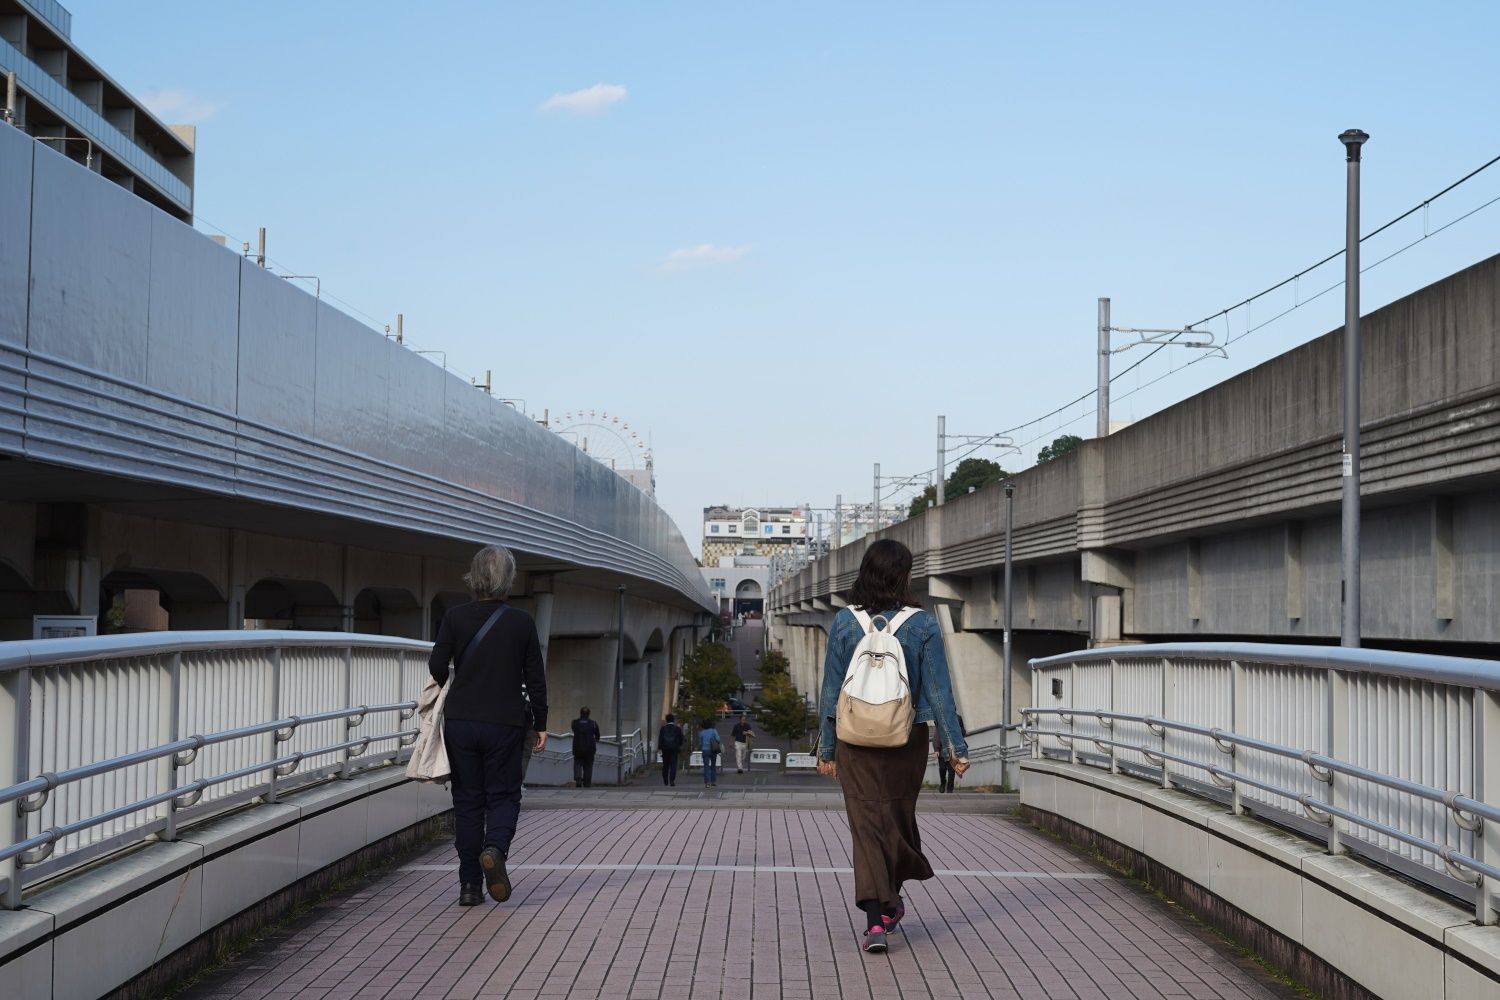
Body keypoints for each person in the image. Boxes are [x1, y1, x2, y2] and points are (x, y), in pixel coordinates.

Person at [816, 538, 969, 954]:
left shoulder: (845, 623)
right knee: (895, 821)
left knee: (869, 825)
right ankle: (879, 916)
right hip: (907, 738)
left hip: (854, 739)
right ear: (904, 575)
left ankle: (881, 908)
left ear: (865, 572)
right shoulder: (923, 624)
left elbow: (831, 692)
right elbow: (939, 691)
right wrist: (955, 747)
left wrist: (826, 748)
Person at [429, 544, 547, 908]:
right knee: (504, 795)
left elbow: (436, 665)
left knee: (467, 802)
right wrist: (540, 723)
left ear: (474, 577)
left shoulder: (455, 617)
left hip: (462, 721)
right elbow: (535, 678)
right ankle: (494, 848)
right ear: (507, 580)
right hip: (506, 722)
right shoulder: (521, 622)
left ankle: (468, 886)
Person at [571, 707, 601, 788]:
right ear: (589, 714)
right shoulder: (593, 723)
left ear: (580, 713)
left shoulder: (574, 723)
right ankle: (587, 782)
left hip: (577, 748)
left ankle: (578, 780)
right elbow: (597, 735)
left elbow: (574, 730)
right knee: (588, 766)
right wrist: (596, 739)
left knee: (577, 763)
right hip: (590, 749)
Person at [658, 713, 684, 786]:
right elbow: (681, 738)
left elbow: (660, 739)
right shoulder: (677, 729)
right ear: (673, 720)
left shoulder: (663, 728)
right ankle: (672, 780)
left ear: (666, 720)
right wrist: (679, 745)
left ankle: (665, 780)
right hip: (674, 748)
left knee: (665, 765)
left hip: (665, 748)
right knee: (673, 765)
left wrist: (660, 748)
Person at [699, 719, 723, 787]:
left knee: (706, 766)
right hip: (713, 750)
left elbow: (700, 743)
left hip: (705, 750)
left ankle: (707, 783)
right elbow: (718, 739)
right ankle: (713, 781)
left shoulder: (702, 732)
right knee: (713, 766)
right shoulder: (713, 731)